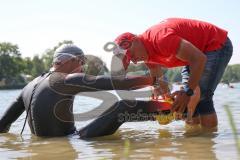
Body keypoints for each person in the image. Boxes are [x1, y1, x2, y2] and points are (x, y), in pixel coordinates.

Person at [0, 44, 158, 137]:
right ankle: (171, 111)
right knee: (123, 107)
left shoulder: (28, 86)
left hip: (46, 146)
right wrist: (153, 80)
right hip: (74, 140)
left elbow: (2, 125)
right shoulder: (65, 79)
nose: (83, 68)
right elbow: (119, 83)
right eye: (82, 62)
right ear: (69, 60)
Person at [112, 18, 233, 129]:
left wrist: (187, 92)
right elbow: (157, 75)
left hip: (215, 44)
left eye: (131, 55)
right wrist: (164, 96)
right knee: (188, 103)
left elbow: (199, 59)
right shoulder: (146, 54)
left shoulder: (160, 38)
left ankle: (208, 144)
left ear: (135, 40)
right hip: (194, 54)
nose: (134, 60)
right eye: (130, 60)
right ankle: (194, 143)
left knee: (202, 98)